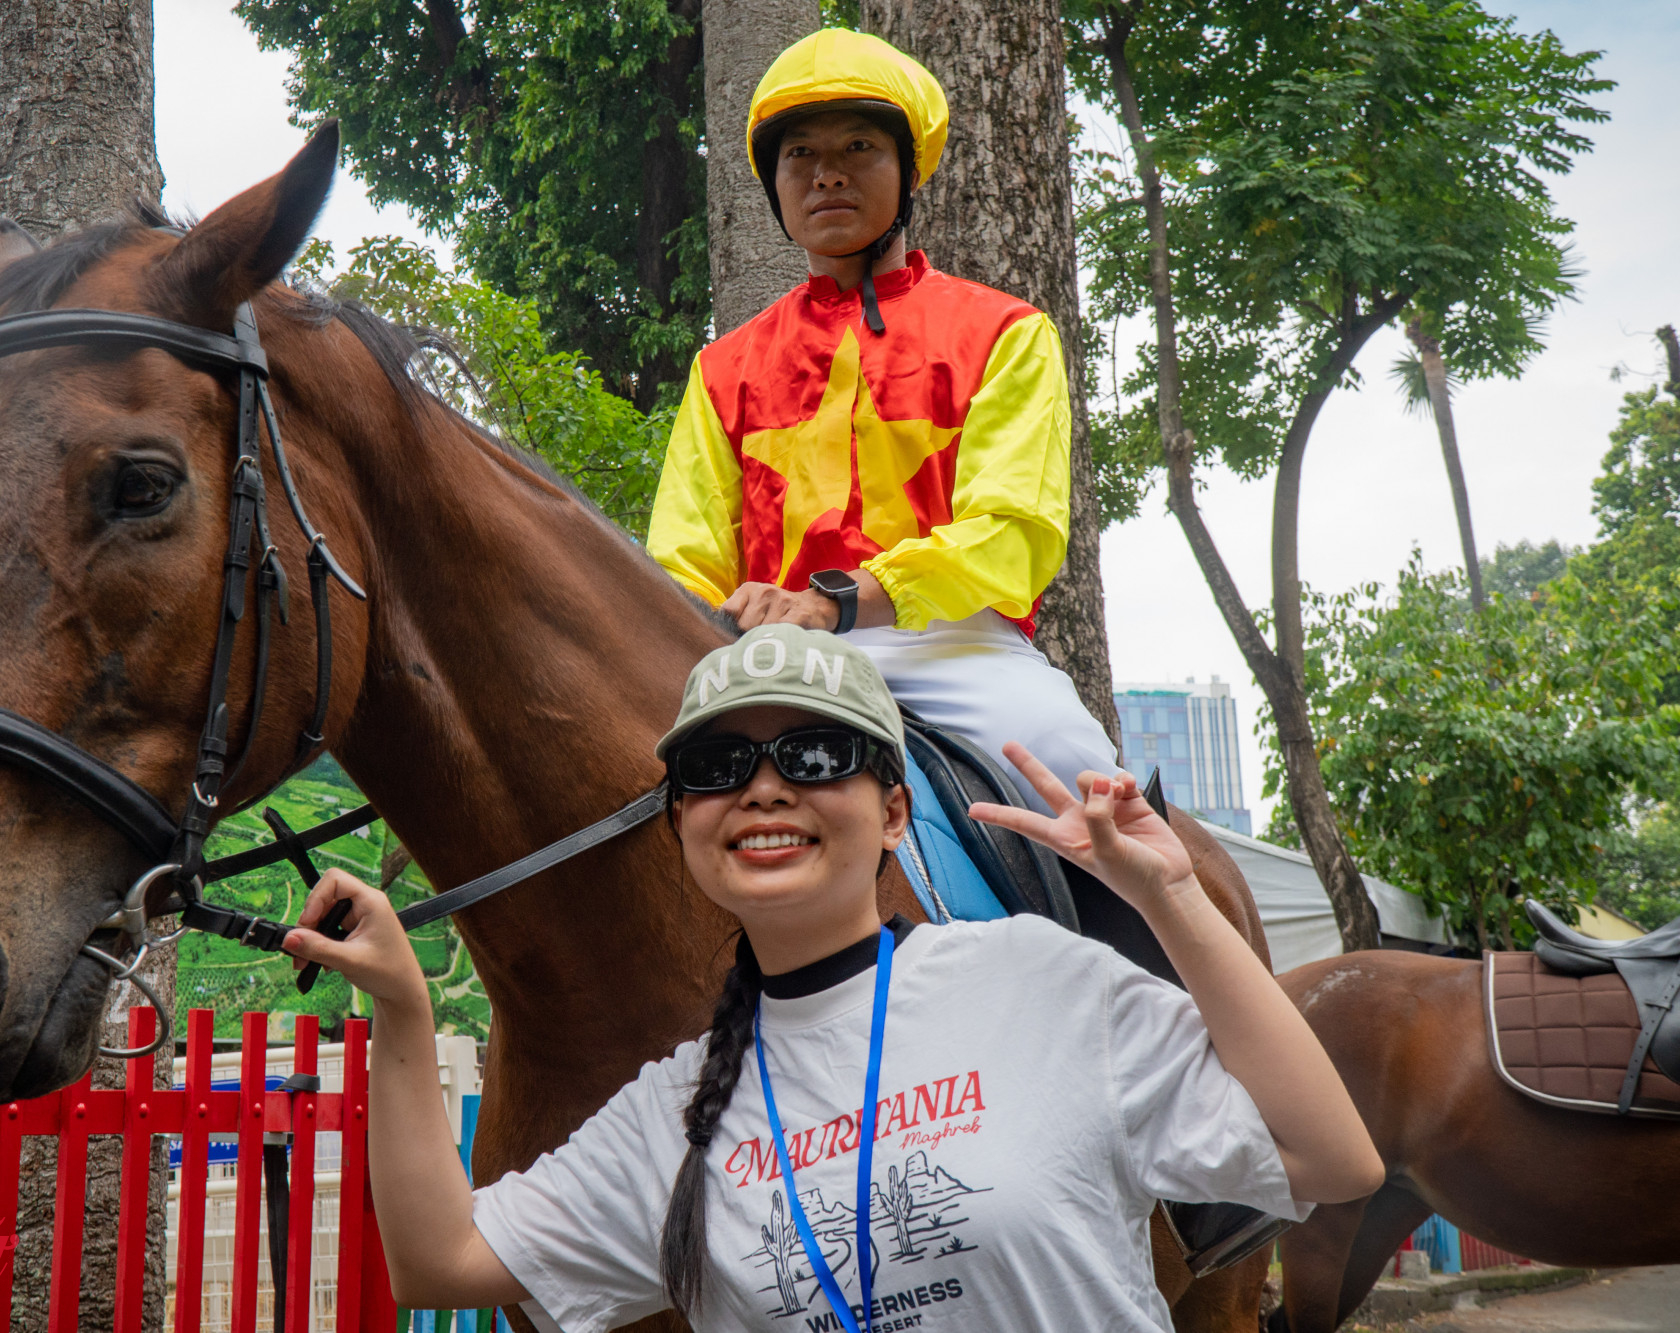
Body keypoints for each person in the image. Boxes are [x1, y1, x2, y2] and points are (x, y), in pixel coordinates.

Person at [281, 625, 1384, 1333]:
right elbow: (439, 1261)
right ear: (681, 824)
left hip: (932, 625)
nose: (763, 789)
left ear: (894, 811)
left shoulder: (1044, 977)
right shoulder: (673, 1111)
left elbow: (1333, 1158)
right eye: (718, 767)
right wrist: (402, 1009)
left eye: (814, 758)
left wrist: (1172, 897)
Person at [647, 29, 1119, 812]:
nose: (827, 173)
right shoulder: (721, 368)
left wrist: (841, 600)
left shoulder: (1007, 333)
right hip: (765, 653)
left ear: (908, 172)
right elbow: (682, 561)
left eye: (858, 147)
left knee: (1074, 764)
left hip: (951, 648)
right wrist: (712, 621)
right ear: (774, 186)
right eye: (800, 154)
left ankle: (1136, 893)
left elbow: (1013, 534)